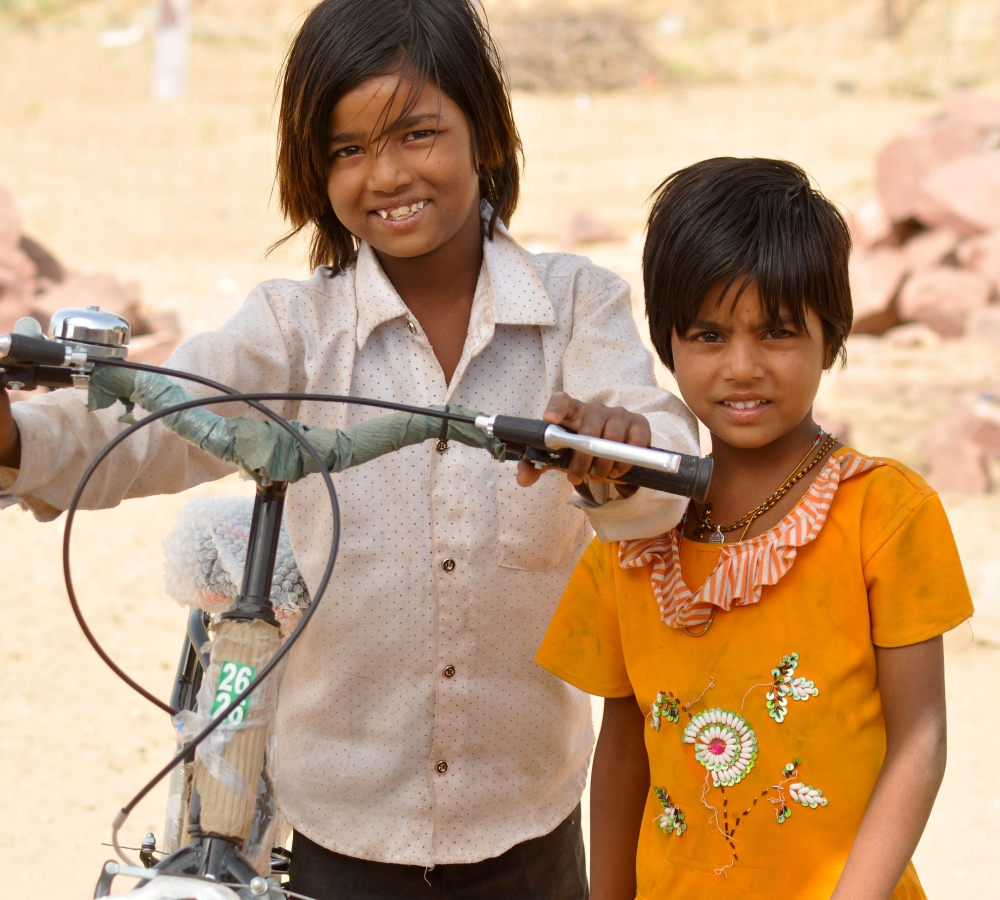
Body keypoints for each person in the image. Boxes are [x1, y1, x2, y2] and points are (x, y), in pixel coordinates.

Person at [0, 1, 699, 897]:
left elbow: (663, 455)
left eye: (419, 133)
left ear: (483, 132)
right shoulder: (296, 331)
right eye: (348, 149)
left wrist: (621, 453)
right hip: (341, 839)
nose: (388, 173)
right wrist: (17, 436)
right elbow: (154, 420)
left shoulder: (575, 308)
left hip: (528, 828)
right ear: (313, 168)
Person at [536, 157, 974, 900]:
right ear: (666, 342)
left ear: (831, 337)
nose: (742, 367)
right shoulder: (634, 537)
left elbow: (919, 742)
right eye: (707, 335)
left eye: (776, 333)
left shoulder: (886, 513)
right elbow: (622, 753)